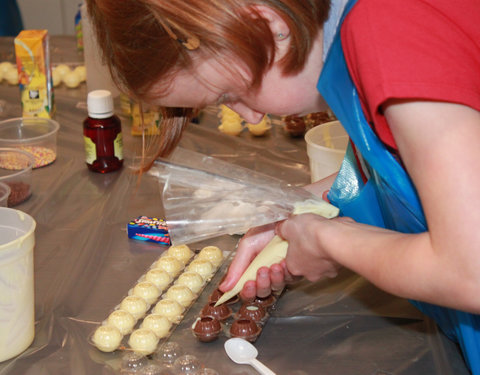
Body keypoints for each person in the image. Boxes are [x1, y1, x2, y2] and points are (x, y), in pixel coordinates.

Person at [86, 0, 480, 372]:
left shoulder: (389, 29)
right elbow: (404, 170)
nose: (251, 114)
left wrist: (329, 242)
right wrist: (301, 208)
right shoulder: (363, 34)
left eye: (230, 95)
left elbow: (471, 271)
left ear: (269, 26)